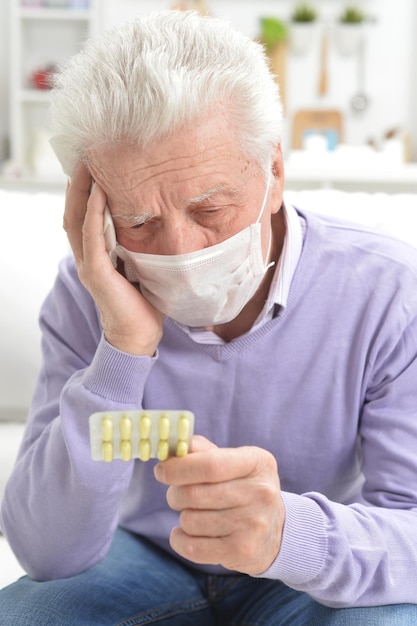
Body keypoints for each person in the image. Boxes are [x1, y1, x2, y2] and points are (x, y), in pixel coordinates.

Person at [1, 9, 417, 626]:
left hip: (308, 574)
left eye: (211, 209)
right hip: (142, 558)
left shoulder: (386, 289)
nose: (180, 252)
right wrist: (122, 349)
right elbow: (47, 550)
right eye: (138, 221)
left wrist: (286, 533)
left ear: (274, 171)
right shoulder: (89, 290)